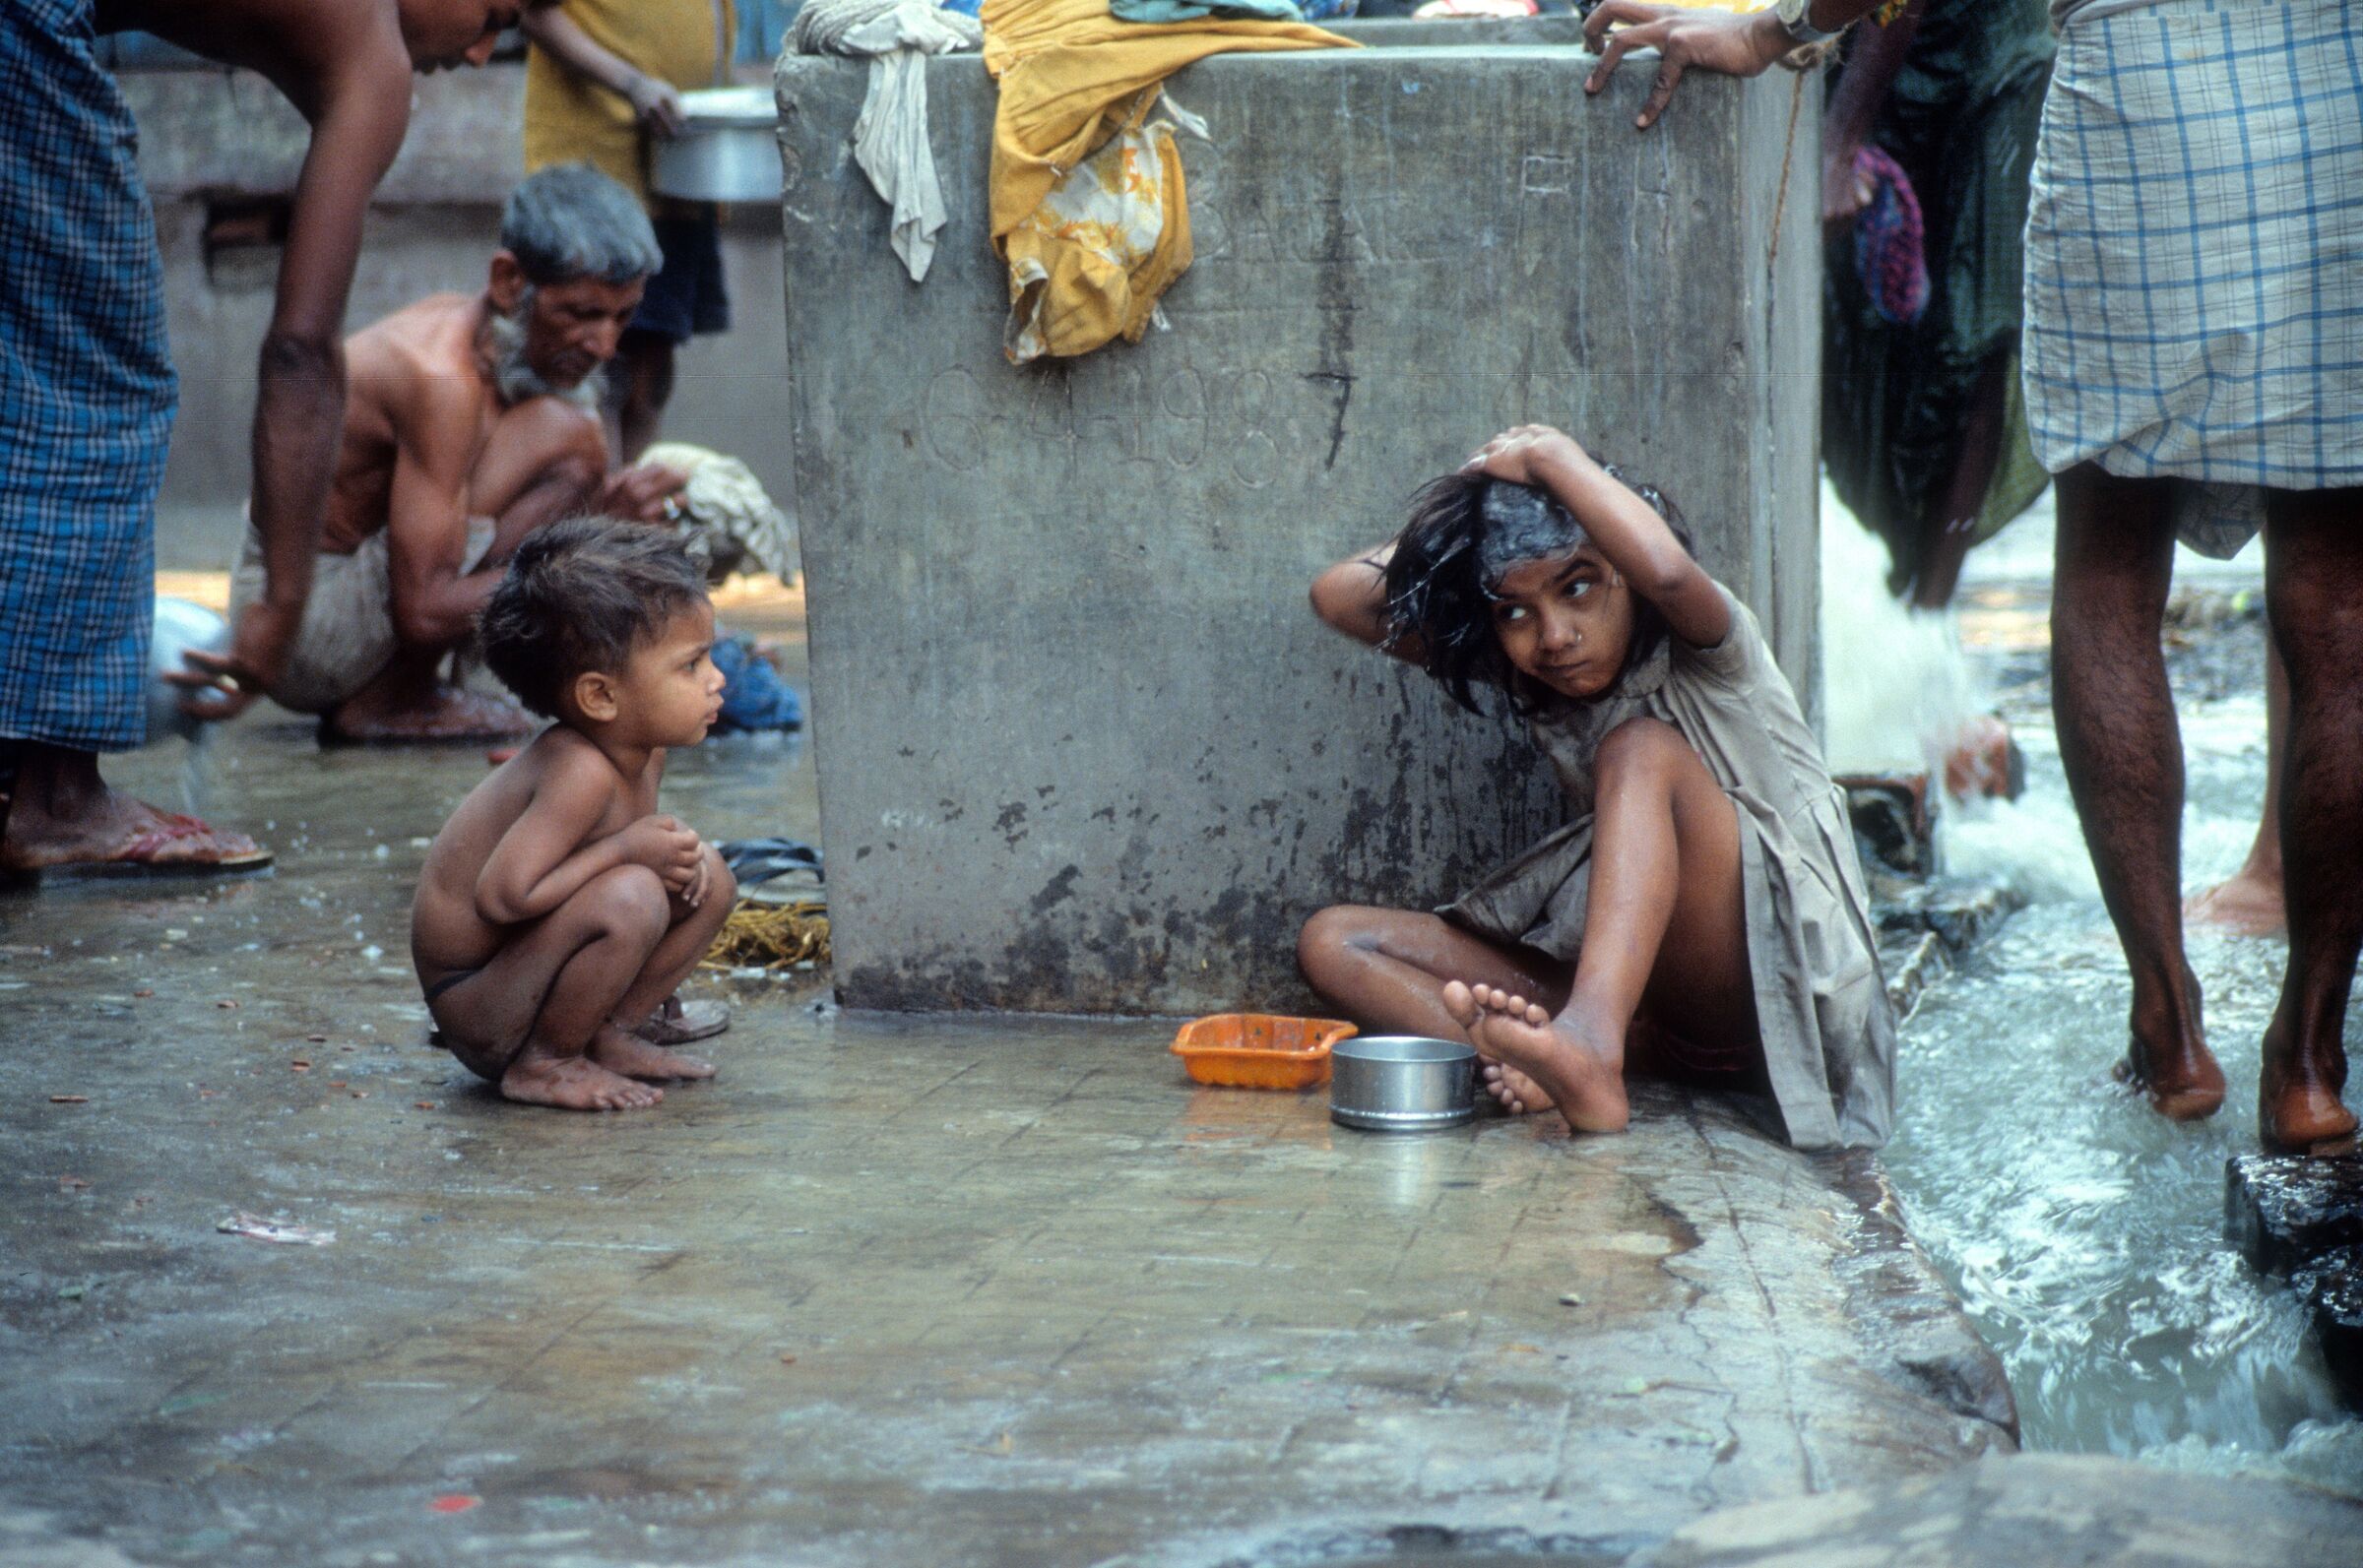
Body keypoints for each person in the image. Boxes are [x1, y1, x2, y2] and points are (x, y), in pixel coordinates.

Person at [1584, 0, 2363, 1153]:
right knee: (2340, 608)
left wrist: (1776, 28)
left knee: (2107, 569)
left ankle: (2168, 1021)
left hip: (2144, 106)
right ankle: (2308, 1061)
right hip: (2339, 111)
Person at [0, 0, 540, 876]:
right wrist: (281, 605)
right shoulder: (374, 53)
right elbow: (300, 349)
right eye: (493, 17)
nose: (482, 53)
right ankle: (56, 797)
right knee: (98, 373)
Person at [1297, 425, 1895, 1150]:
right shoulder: (1535, 671)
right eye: (1515, 611)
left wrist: (1555, 459)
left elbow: (1671, 575)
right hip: (1652, 1027)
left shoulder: (1712, 652)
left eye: (1578, 587)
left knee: (1640, 751)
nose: (1554, 635)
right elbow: (1340, 597)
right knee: (1334, 942)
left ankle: (1584, 1049)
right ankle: (1549, 1063)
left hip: (1781, 1003)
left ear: (1625, 575)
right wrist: (1473, 511)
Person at [224, 163, 686, 742]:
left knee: (574, 438)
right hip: (297, 629)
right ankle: (393, 700)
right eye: (580, 313)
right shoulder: (440, 378)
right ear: (509, 282)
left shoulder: (489, 340)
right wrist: (585, 553)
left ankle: (404, 689)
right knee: (572, 440)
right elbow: (424, 610)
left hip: (311, 606)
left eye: (623, 316)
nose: (605, 344)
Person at [411, 518, 736, 1113]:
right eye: (691, 666)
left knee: (707, 873)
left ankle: (611, 1034)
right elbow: (506, 898)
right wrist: (624, 852)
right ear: (601, 697)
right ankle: (546, 1064)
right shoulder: (578, 770)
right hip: (478, 1004)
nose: (717, 680)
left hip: (524, 975)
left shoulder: (644, 750)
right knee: (632, 893)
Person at [1819, 0, 2051, 608]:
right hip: (1860, 40)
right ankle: (1882, 594)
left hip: (1988, 49)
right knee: (1858, 328)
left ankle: (1929, 616)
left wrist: (1840, 141)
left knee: (1973, 334)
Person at [522, 0, 736, 462]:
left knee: (649, 362)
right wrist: (630, 83)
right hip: (596, 166)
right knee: (589, 369)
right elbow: (532, 12)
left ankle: (629, 516)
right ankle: (584, 508)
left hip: (679, 168)